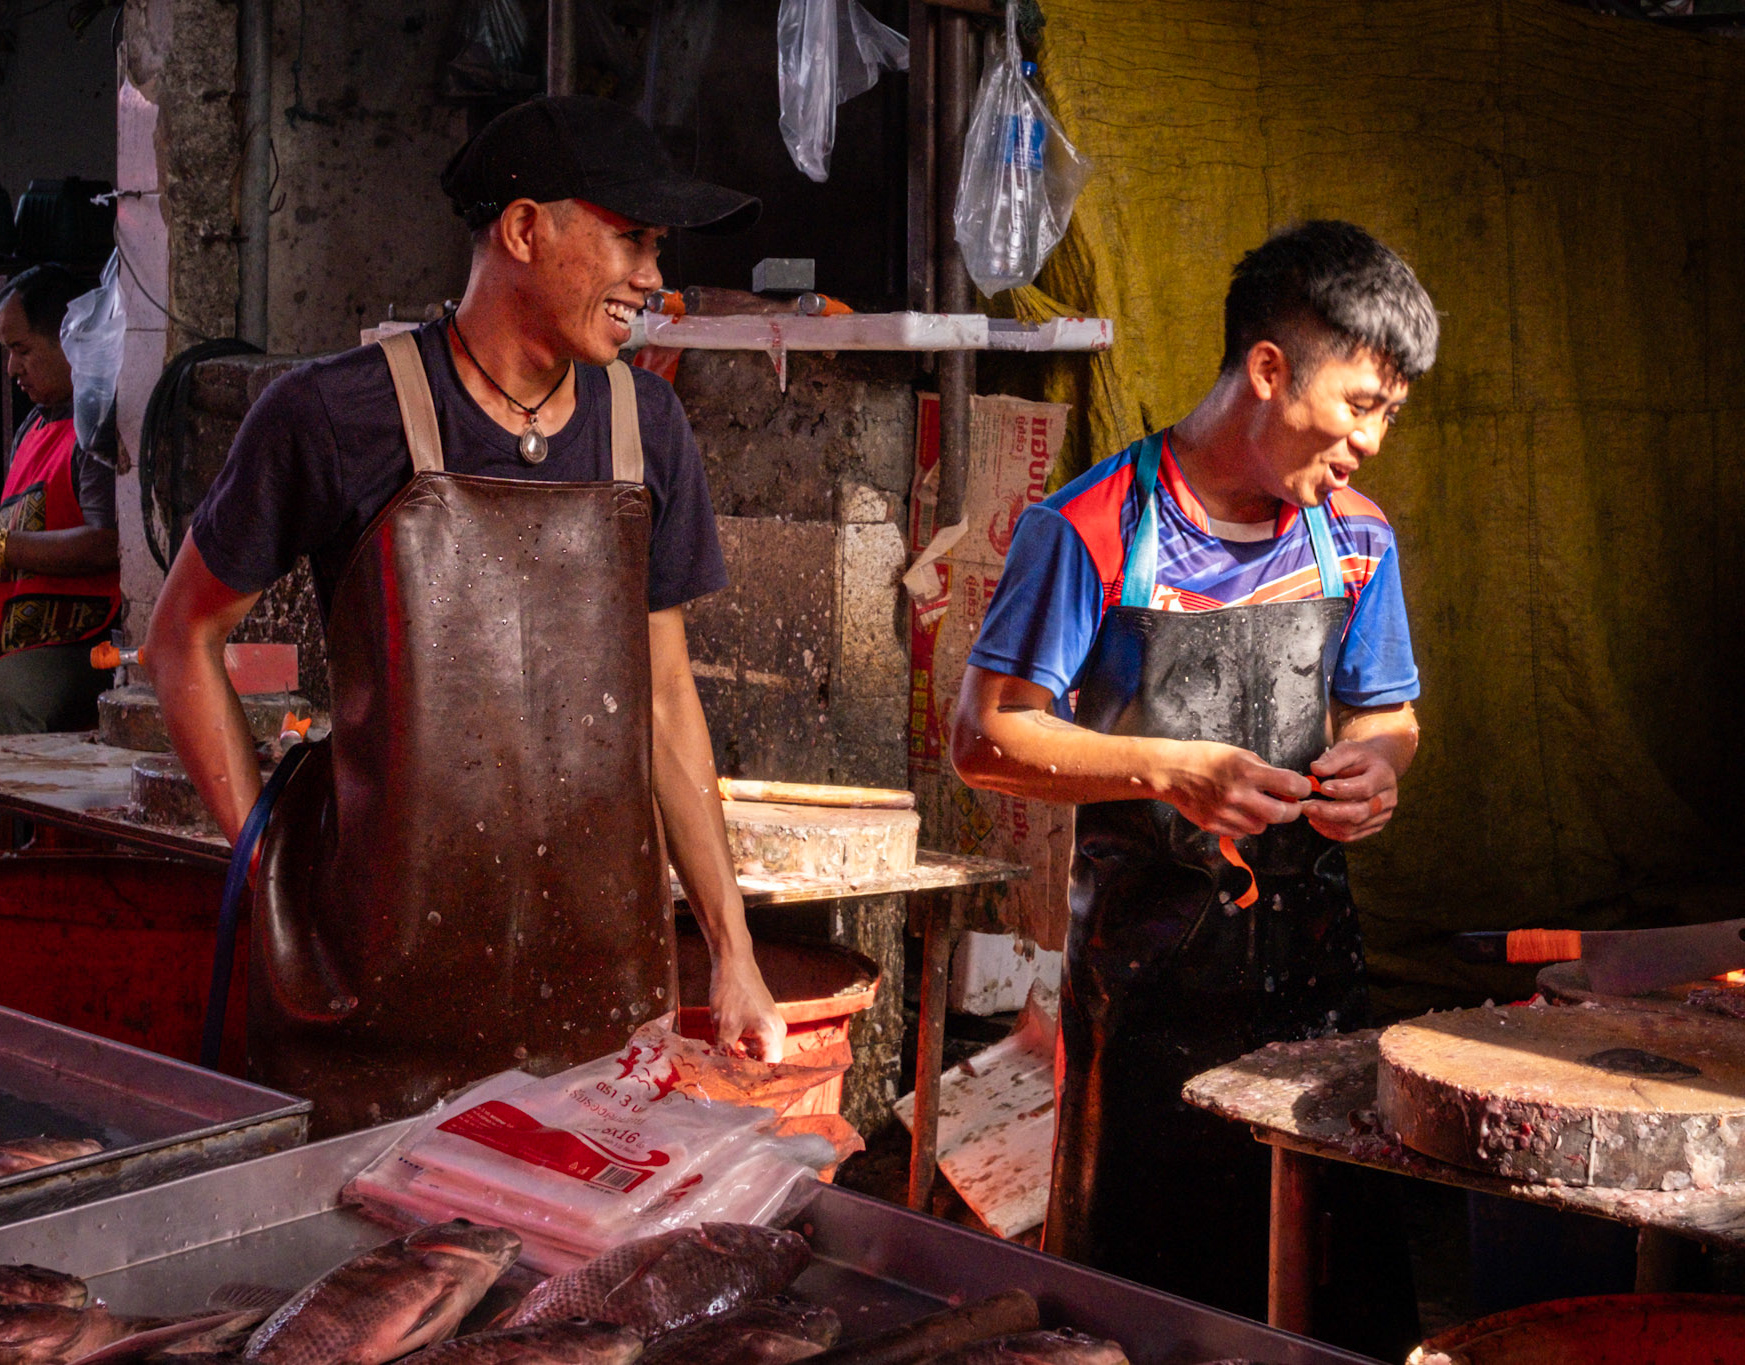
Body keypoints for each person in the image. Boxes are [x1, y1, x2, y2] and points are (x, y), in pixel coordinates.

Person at [145, 96, 783, 1133]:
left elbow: (667, 701)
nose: (652, 278)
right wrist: (266, 866)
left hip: (596, 1003)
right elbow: (183, 638)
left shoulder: (649, 427)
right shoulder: (332, 415)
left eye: (657, 249)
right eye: (630, 238)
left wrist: (734, 953)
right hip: (372, 1008)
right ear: (524, 230)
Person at [952, 222, 1434, 1325]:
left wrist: (1378, 763)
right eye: (1361, 405)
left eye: (1389, 416)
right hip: (1144, 999)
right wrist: (1167, 770)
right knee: (1146, 1314)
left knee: (1336, 1308)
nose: (1369, 443)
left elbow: (1388, 710)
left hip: (1318, 996)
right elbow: (985, 738)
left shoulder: (1356, 538)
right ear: (1268, 370)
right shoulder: (1089, 528)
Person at [0, 265, 122, 732]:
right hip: (18, 635)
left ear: (69, 341)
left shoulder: (96, 431)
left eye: (22, 350)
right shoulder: (32, 426)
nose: (12, 369)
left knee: (9, 698)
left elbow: (106, 544)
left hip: (81, 642)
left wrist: (5, 547)